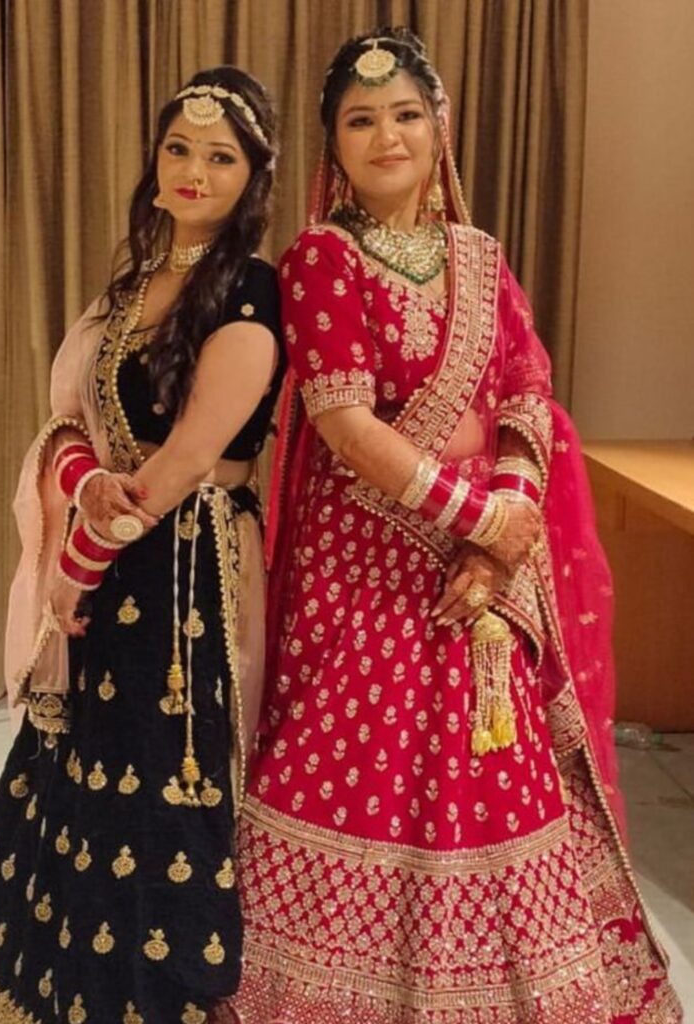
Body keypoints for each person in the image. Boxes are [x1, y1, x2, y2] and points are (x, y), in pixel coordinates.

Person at [219, 29, 682, 1024]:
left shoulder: (480, 256)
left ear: (441, 128)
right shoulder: (322, 258)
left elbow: (523, 391)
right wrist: (478, 518)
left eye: (405, 114)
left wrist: (504, 518)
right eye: (360, 120)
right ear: (333, 145)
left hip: (483, 572)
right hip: (367, 565)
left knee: (492, 764)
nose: (386, 136)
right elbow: (345, 425)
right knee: (355, 759)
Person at [0, 66, 284, 1024]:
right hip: (114, 553)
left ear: (253, 177)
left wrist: (76, 565)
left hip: (188, 569)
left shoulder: (249, 291)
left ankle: (158, 997)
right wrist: (83, 485)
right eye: (179, 149)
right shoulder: (129, 287)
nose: (194, 171)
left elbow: (190, 456)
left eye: (221, 157)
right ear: (154, 160)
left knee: (166, 780)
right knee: (84, 768)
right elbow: (73, 422)